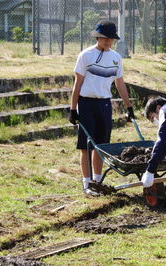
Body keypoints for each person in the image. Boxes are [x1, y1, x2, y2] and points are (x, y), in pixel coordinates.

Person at [69, 21, 135, 195]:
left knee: (101, 145)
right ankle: (87, 184)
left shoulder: (116, 58)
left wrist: (129, 107)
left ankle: (97, 182)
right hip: (86, 103)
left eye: (110, 38)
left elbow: (120, 83)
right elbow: (78, 83)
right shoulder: (86, 55)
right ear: (98, 37)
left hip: (105, 104)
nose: (107, 41)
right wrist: (72, 109)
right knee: (86, 146)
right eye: (104, 38)